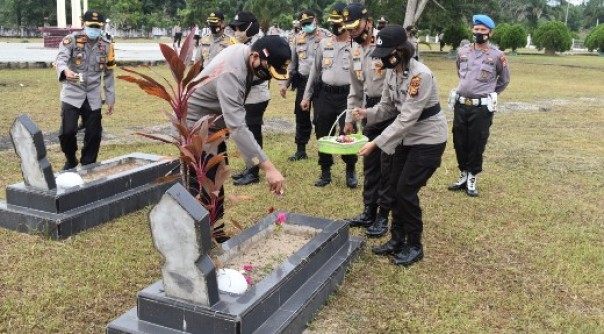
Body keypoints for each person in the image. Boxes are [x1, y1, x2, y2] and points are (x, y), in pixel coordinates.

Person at [351, 24, 447, 266]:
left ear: (401, 51)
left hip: (428, 140)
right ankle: (396, 240)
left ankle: (414, 244)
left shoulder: (420, 76)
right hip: (406, 139)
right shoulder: (392, 71)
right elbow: (387, 107)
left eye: (387, 56)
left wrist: (376, 143)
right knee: (394, 189)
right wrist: (366, 113)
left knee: (406, 191)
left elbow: (406, 118)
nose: (383, 61)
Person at [187, 35, 290, 221]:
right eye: (267, 70)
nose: (267, 77)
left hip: (213, 126)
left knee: (216, 180)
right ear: (256, 57)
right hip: (196, 128)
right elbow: (237, 127)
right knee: (202, 184)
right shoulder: (232, 72)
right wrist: (268, 168)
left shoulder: (245, 54)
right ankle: (201, 237)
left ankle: (215, 230)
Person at [342, 3, 393, 237]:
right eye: (348, 28)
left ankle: (383, 216)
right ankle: (368, 211)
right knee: (370, 163)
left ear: (368, 22)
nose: (352, 31)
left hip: (391, 109)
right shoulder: (354, 51)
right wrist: (349, 117)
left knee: (387, 166)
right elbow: (356, 88)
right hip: (368, 109)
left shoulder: (386, 45)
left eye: (355, 26)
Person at [448, 14, 510, 197]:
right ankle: (463, 174)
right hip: (461, 104)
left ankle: (472, 177)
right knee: (459, 141)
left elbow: (504, 80)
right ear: (472, 30)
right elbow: (461, 73)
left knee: (476, 142)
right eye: (476, 29)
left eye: (483, 30)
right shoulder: (463, 51)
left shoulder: (497, 55)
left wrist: (490, 93)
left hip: (482, 107)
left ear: (490, 32)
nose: (479, 33)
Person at [299, 2, 357, 188]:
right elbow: (314, 73)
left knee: (348, 133)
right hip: (325, 95)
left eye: (338, 22)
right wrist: (306, 96)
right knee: (323, 133)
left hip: (348, 96)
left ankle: (350, 170)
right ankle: (325, 172)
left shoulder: (356, 45)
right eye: (332, 22)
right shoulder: (324, 43)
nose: (334, 26)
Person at [55, 9, 116, 170]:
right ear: (84, 24)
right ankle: (71, 159)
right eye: (91, 26)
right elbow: (61, 58)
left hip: (93, 96)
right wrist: (65, 71)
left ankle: (88, 165)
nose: (94, 30)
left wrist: (110, 99)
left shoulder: (107, 46)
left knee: (94, 135)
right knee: (67, 133)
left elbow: (109, 74)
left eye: (97, 27)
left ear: (101, 27)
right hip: (72, 94)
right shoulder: (72, 40)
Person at [279, 9, 331, 162]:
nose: (307, 26)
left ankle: (325, 150)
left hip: (321, 83)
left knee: (321, 117)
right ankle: (301, 150)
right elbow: (292, 64)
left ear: (315, 20)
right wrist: (285, 84)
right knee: (301, 116)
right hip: (302, 81)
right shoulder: (297, 38)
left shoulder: (327, 36)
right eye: (304, 24)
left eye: (309, 23)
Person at [228, 11, 269, 186]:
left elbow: (266, 73)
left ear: (251, 27)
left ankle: (254, 172)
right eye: (235, 28)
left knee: (252, 134)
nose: (237, 31)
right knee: (245, 133)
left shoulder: (261, 45)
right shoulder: (241, 44)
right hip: (245, 97)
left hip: (256, 97)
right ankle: (250, 167)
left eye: (240, 28)